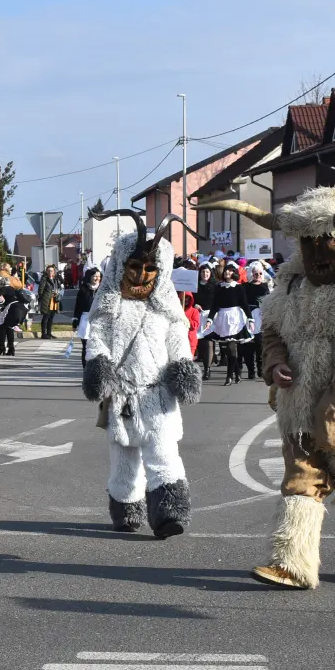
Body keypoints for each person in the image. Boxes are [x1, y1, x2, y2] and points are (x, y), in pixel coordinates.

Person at [213, 189, 335, 590]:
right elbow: (273, 331)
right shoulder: (291, 286)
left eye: (326, 239)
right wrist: (276, 365)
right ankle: (294, 564)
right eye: (308, 241)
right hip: (297, 403)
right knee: (300, 479)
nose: (317, 251)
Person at [80, 211, 202, 538]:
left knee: (163, 454)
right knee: (124, 462)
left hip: (157, 395)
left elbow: (178, 339)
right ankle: (127, 509)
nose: (141, 275)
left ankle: (169, 512)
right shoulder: (108, 304)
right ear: (122, 265)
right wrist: (98, 367)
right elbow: (98, 338)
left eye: (150, 268)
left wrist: (182, 367)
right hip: (121, 396)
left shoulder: (167, 308)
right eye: (134, 266)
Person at [201, 263, 252, 386]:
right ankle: (237, 372)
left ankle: (229, 376)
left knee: (231, 348)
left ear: (233, 273)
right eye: (225, 271)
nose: (227, 273)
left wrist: (250, 319)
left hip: (235, 318)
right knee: (227, 349)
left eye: (229, 271)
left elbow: (244, 304)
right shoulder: (219, 288)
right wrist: (209, 320)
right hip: (223, 319)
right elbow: (214, 306)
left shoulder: (239, 288)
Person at [72, 269, 102, 364]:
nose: (97, 278)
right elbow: (78, 306)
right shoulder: (83, 289)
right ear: (89, 277)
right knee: (86, 345)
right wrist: (75, 321)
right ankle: (85, 367)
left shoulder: (102, 289)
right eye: (95, 276)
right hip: (85, 319)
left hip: (98, 320)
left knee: (97, 345)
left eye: (99, 276)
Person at [0, 273, 30, 356]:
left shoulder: (2, 290)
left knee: (2, 328)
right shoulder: (13, 289)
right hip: (18, 309)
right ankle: (11, 348)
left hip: (9, 309)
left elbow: (0, 301)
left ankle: (2, 348)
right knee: (10, 328)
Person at [37, 265, 60, 338]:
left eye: (52, 271)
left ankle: (49, 333)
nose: (50, 272)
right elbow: (40, 290)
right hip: (46, 300)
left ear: (54, 272)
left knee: (51, 317)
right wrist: (43, 298)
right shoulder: (44, 279)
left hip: (54, 300)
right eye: (49, 270)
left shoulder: (55, 279)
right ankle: (44, 334)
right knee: (46, 316)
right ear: (46, 272)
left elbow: (59, 286)